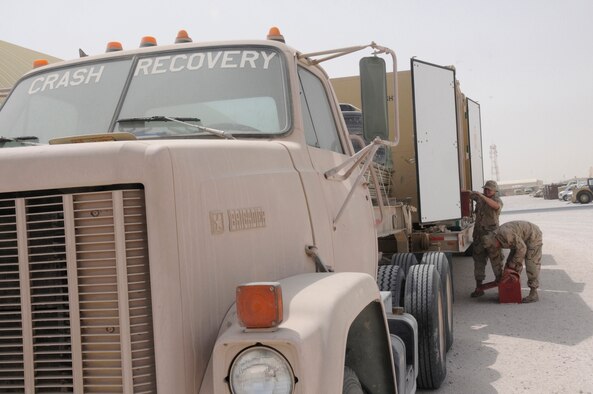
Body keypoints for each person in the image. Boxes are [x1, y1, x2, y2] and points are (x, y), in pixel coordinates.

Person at [482, 221, 543, 303]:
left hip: (533, 235)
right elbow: (495, 261)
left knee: (531, 263)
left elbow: (522, 249)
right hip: (518, 240)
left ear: (495, 240)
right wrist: (499, 278)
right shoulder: (491, 243)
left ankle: (533, 293)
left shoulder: (506, 234)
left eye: (494, 246)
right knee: (509, 266)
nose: (495, 248)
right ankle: (510, 289)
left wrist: (514, 264)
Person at [468, 180, 504, 297]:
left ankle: (502, 288)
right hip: (479, 236)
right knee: (478, 262)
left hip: (491, 237)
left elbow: (495, 206)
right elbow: (469, 194)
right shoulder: (480, 198)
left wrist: (481, 196)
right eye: (485, 189)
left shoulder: (497, 200)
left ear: (495, 191)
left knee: (496, 262)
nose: (486, 191)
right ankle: (479, 288)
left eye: (489, 189)